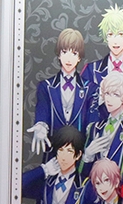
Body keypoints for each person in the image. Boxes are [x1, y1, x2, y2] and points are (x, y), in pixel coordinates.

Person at [27, 28, 92, 156]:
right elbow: (42, 110)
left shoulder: (90, 88)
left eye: (74, 53)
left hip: (79, 155)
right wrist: (41, 126)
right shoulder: (46, 86)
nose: (69, 58)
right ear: (59, 54)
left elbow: (92, 120)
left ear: (79, 57)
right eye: (64, 52)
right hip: (53, 154)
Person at [81, 5, 123, 120]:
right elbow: (82, 107)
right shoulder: (91, 70)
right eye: (110, 34)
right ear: (105, 37)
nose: (115, 40)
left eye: (120, 34)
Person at [81, 72, 123, 176]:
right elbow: (83, 174)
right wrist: (87, 156)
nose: (109, 99)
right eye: (107, 93)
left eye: (116, 95)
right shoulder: (94, 128)